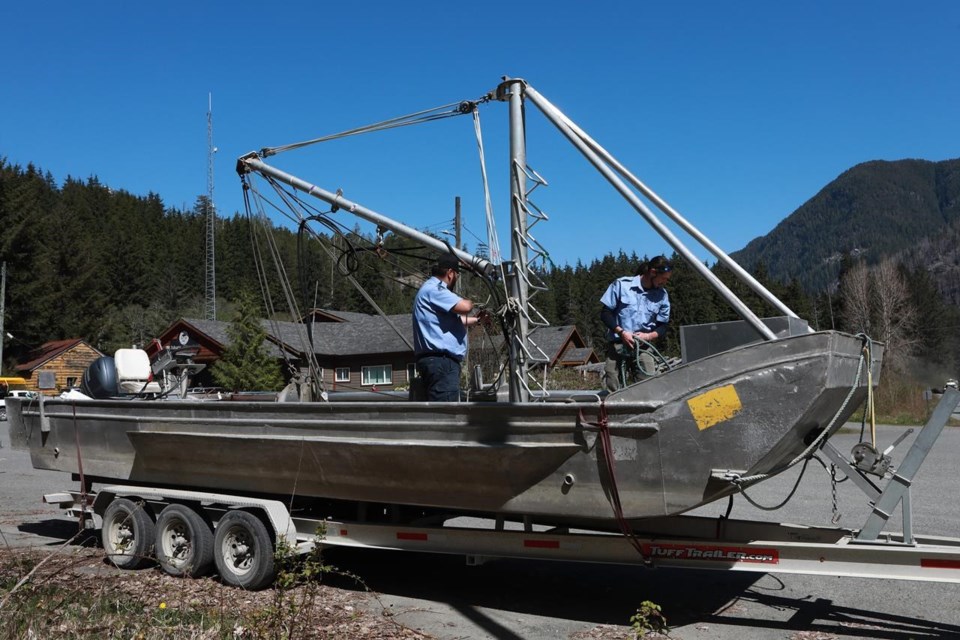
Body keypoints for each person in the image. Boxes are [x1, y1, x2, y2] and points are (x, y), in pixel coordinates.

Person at [412, 253, 489, 401]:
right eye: (457, 276)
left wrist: (478, 320)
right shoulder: (435, 289)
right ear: (450, 273)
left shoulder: (428, 290)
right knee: (446, 414)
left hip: (437, 363)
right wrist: (472, 301)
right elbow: (465, 307)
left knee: (444, 409)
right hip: (442, 363)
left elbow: (452, 321)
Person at [599, 255, 673, 392]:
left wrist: (648, 336)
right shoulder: (621, 285)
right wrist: (621, 332)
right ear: (652, 273)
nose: (665, 282)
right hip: (617, 344)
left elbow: (663, 325)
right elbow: (605, 314)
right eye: (663, 279)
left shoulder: (662, 295)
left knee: (648, 386)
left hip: (643, 346)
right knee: (612, 383)